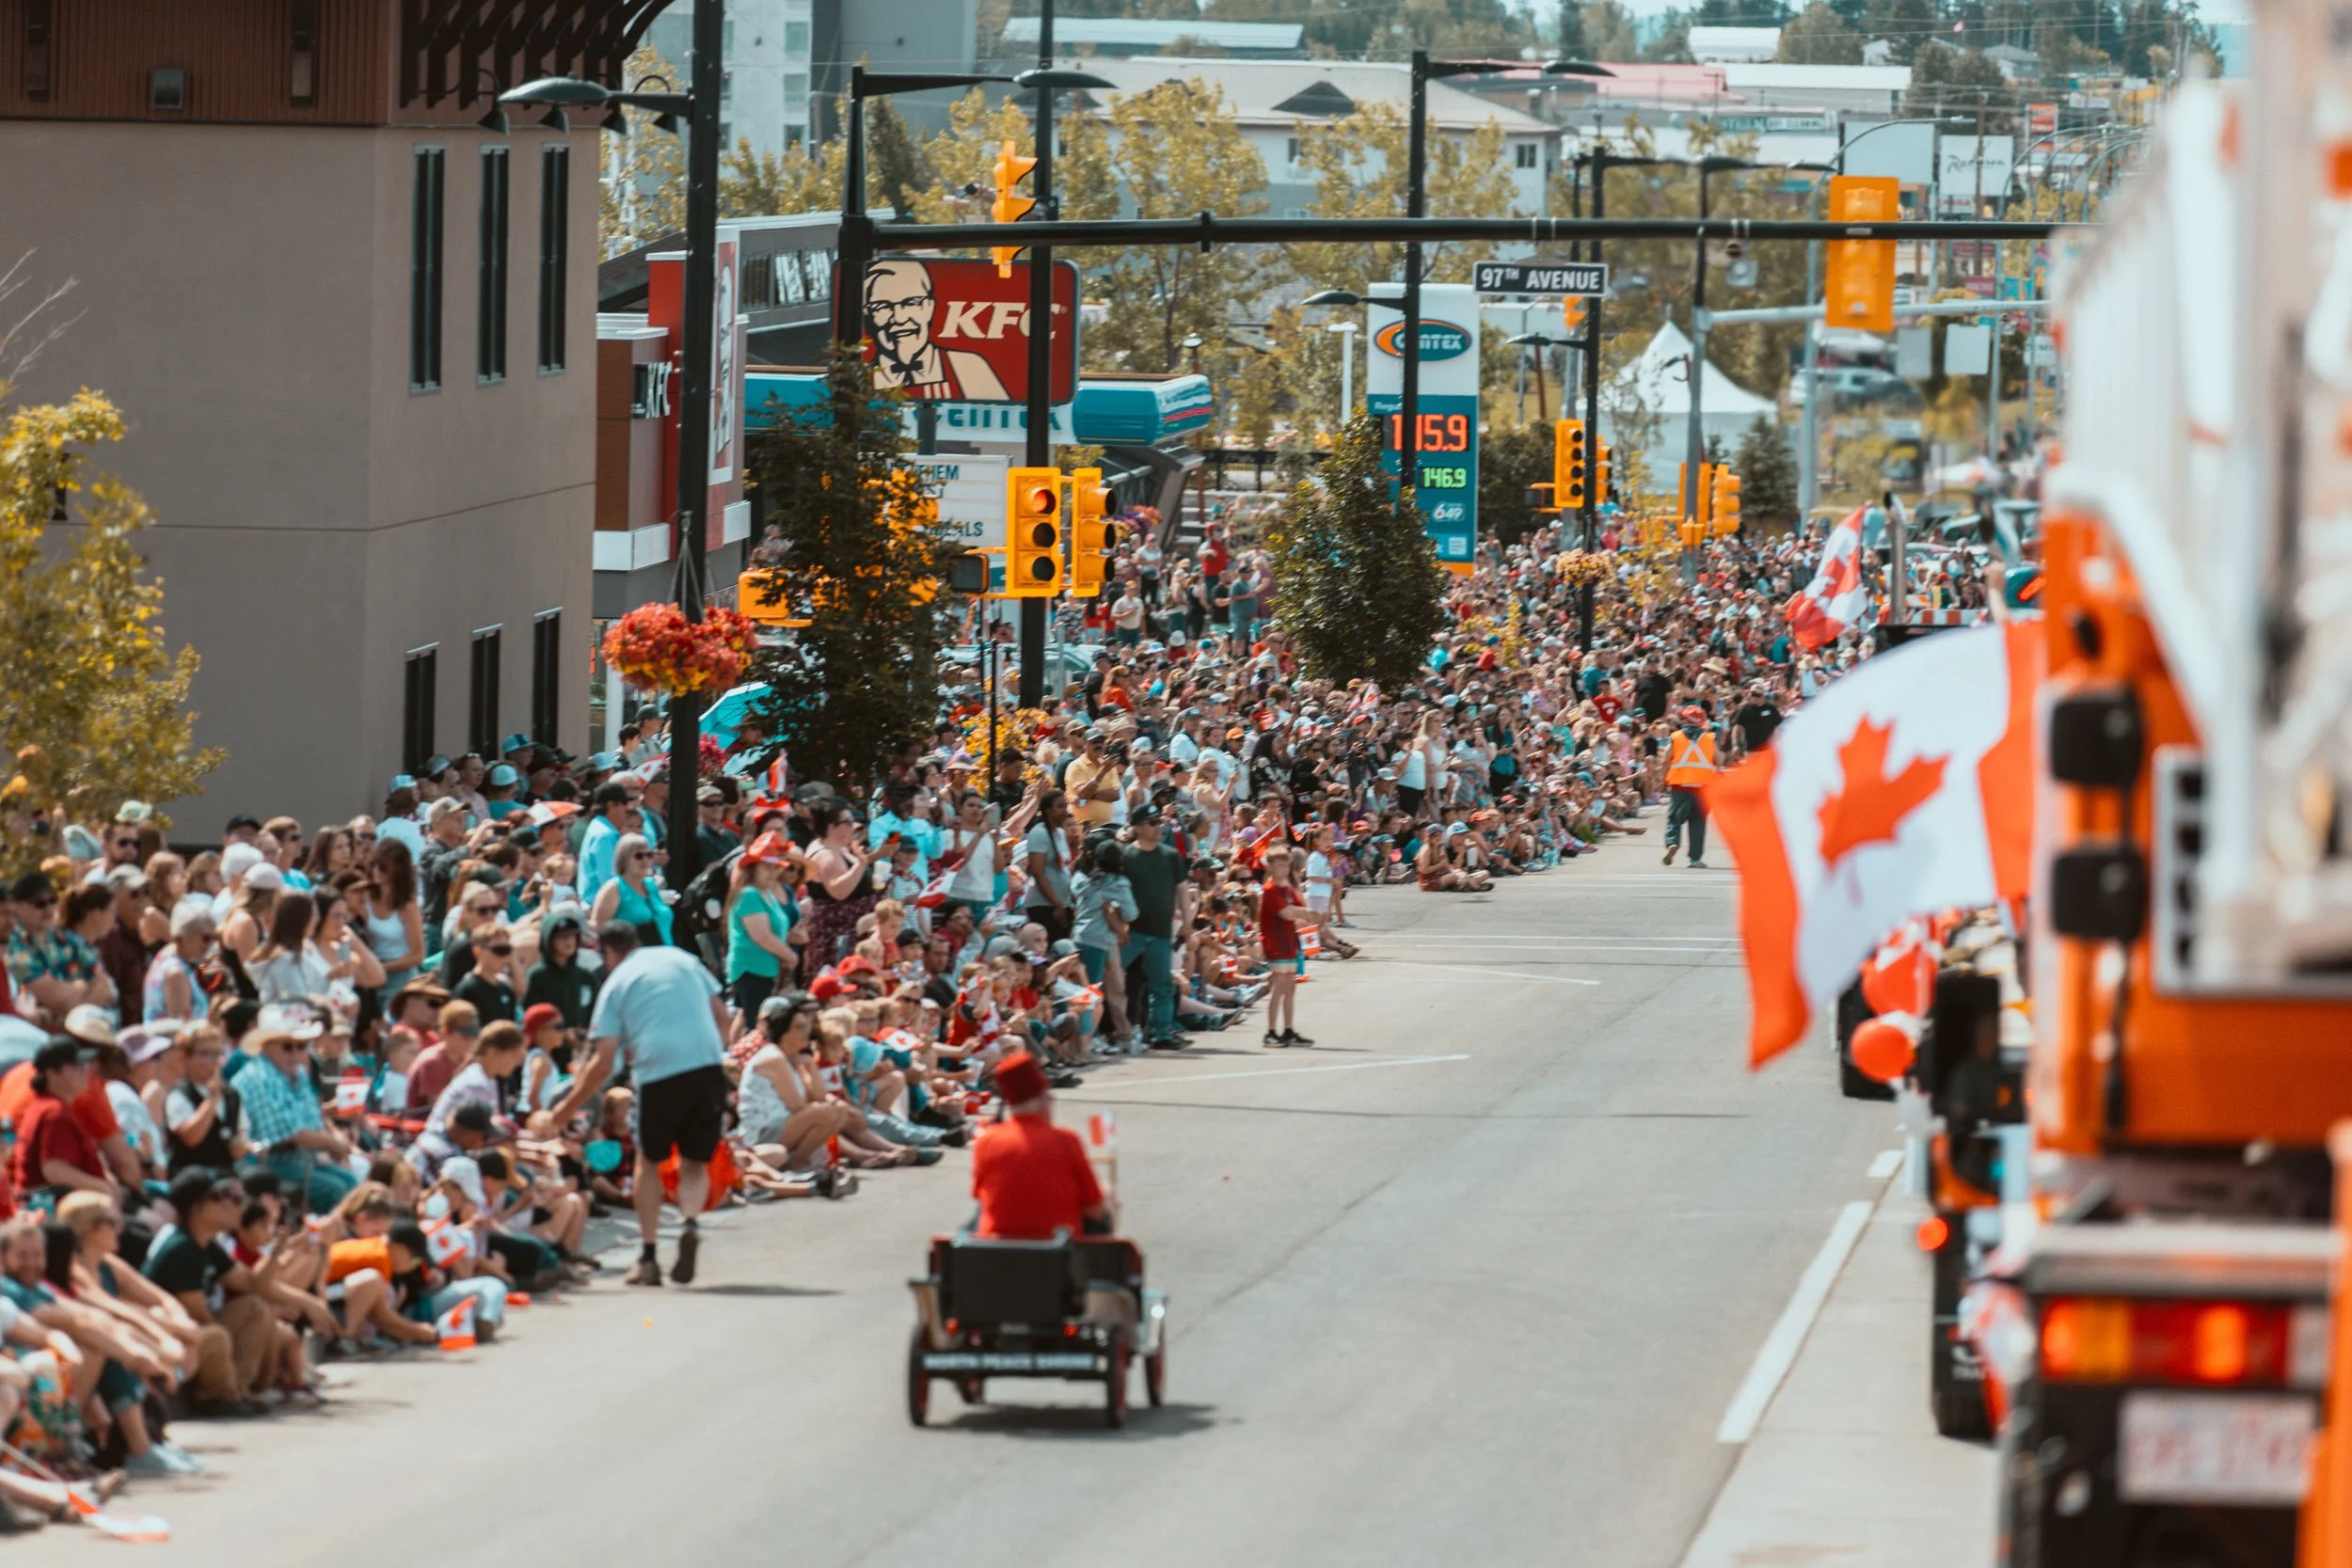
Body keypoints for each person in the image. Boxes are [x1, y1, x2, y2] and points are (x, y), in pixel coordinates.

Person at [548, 922, 732, 1289]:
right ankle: (690, 1221)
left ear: (607, 953)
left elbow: (602, 1064)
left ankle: (648, 1257)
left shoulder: (616, 983)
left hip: (658, 1074)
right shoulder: (682, 959)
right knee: (695, 1161)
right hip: (707, 1067)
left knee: (649, 1161)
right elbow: (722, 1017)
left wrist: (561, 1112)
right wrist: (714, 1056)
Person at [968, 1051, 1109, 1241]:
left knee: (976, 1217)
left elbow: (980, 1195)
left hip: (997, 1257)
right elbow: (1095, 1210)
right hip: (1056, 1257)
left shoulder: (986, 1140)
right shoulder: (1066, 1139)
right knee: (1106, 1210)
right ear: (1044, 1102)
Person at [723, 831, 799, 1017]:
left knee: (749, 1019)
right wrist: (789, 955)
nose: (773, 872)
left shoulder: (767, 893)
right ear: (754, 867)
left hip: (765, 968)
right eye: (766, 867)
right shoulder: (749, 894)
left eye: (775, 867)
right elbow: (761, 936)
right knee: (756, 1023)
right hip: (752, 968)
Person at [1256, 846, 1320, 1049]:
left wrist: (1307, 913)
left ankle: (1289, 1029)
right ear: (1271, 866)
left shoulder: (1286, 888)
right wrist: (1308, 912)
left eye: (1287, 865)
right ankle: (1271, 1031)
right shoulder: (1269, 889)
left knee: (1290, 987)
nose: (1284, 869)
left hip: (1288, 941)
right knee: (1280, 986)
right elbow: (1287, 913)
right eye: (1280, 865)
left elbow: (1298, 907)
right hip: (1276, 942)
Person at [1661, 705, 1717, 870]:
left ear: (1687, 720)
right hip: (1702, 788)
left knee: (1674, 818)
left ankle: (1672, 843)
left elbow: (1665, 759)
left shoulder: (1676, 737)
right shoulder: (1709, 738)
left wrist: (1664, 780)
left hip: (1680, 786)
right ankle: (1695, 859)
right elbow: (1719, 759)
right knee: (1698, 823)